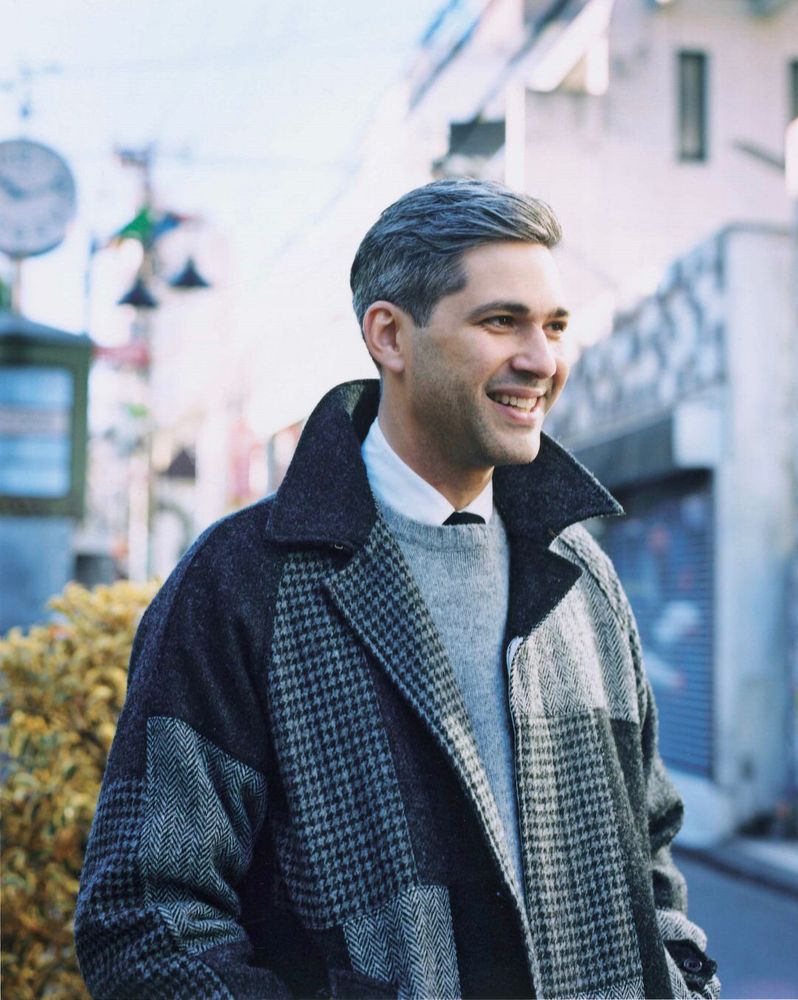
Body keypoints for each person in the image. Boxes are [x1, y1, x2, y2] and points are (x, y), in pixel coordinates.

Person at [74, 178, 720, 1000]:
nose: (542, 360)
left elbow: (652, 848)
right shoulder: (242, 582)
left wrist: (684, 981)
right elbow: (143, 917)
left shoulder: (581, 574)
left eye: (555, 326)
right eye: (501, 322)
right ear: (390, 336)